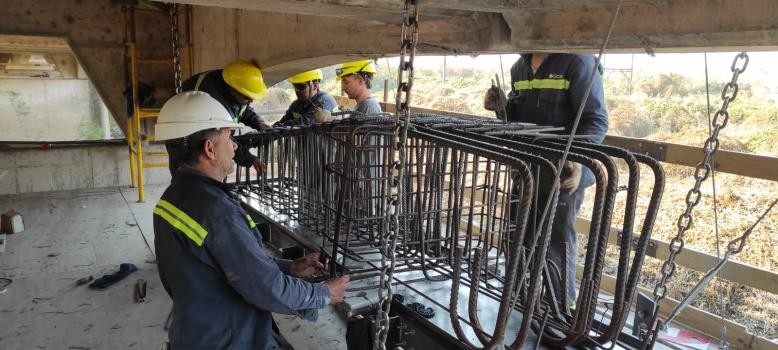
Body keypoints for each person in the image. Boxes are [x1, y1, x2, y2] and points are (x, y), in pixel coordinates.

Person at [153, 91, 350, 349]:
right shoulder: (217, 212)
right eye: (229, 137)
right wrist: (323, 293)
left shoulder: (171, 198)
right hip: (232, 339)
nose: (235, 146)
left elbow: (224, 264)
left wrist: (289, 268)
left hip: (196, 332)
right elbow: (266, 288)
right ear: (209, 148)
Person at [485, 53, 609, 309]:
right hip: (526, 171)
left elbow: (596, 120)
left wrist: (577, 159)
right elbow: (519, 119)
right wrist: (502, 108)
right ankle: (520, 300)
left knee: (555, 246)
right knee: (517, 238)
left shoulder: (578, 63)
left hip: (562, 175)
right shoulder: (519, 68)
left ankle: (559, 308)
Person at [166, 60, 269, 175]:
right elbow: (220, 139)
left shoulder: (233, 85)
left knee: (213, 177)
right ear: (233, 88)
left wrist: (259, 123)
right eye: (247, 97)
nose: (251, 101)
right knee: (191, 178)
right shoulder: (211, 99)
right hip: (186, 144)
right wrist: (250, 159)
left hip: (207, 141)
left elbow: (242, 109)